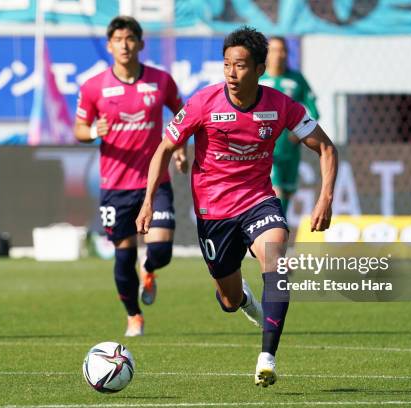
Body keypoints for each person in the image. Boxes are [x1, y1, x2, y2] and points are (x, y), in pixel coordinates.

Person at [136, 27, 337, 386]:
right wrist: (148, 199)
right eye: (226, 64)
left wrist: (325, 197)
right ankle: (242, 298)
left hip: (259, 200)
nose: (231, 73)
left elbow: (325, 147)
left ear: (260, 69)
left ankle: (267, 357)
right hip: (214, 214)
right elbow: (165, 147)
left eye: (240, 66)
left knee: (277, 260)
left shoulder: (281, 105)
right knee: (228, 299)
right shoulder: (203, 103)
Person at [74, 16, 187, 337]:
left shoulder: (161, 81)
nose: (124, 45)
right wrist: (94, 130)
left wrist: (178, 147)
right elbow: (79, 128)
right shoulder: (94, 87)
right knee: (123, 257)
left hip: (155, 182)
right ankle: (133, 316)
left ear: (140, 43)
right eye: (118, 40)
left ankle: (149, 270)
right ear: (109, 46)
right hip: (116, 187)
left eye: (130, 39)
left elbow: (181, 115)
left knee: (161, 250)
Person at [260, 36, 320, 214]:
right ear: (267, 54)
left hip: (290, 148)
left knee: (286, 193)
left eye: (283, 50)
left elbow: (314, 111)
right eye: (274, 50)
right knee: (274, 191)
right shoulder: (258, 79)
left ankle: (279, 235)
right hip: (267, 148)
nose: (279, 54)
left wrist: (299, 132)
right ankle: (270, 234)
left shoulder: (297, 79)